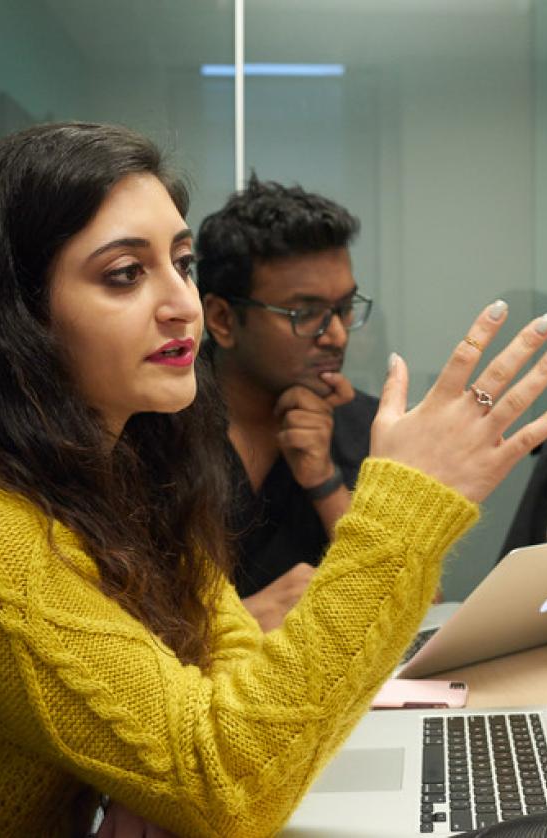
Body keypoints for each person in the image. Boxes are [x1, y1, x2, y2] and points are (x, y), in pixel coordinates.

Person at [0, 122, 547, 837]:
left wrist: (167, 773)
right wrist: (404, 511)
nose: (184, 306)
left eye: (183, 263)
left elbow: (218, 651)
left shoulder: (127, 459)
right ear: (17, 318)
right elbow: (224, 781)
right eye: (126, 274)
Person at [195, 179, 378, 632]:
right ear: (222, 320)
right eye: (304, 314)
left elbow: (420, 605)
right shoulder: (151, 428)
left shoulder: (367, 426)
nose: (336, 335)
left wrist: (324, 482)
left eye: (345, 307)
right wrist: (237, 626)